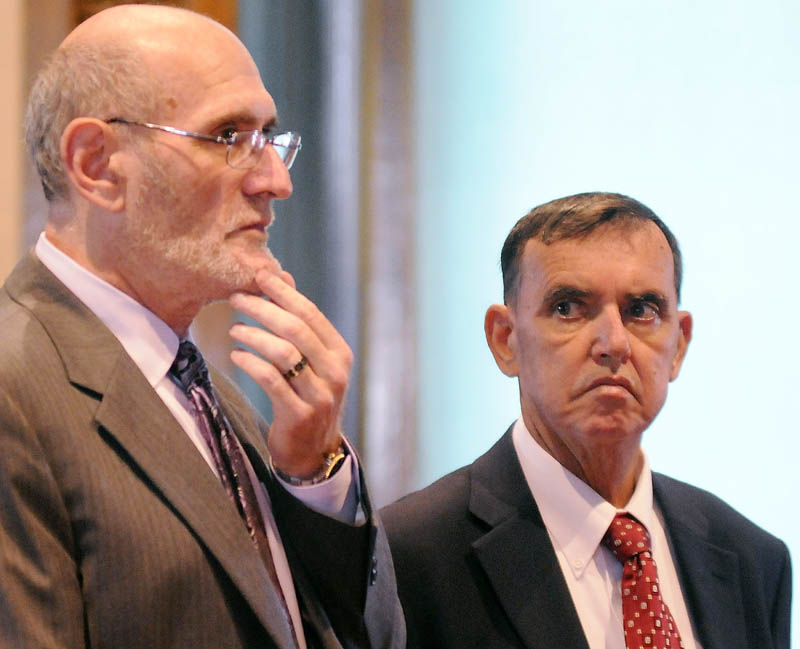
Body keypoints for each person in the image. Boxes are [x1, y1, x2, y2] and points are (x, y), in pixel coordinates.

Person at [0, 5, 403, 649]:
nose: (275, 181)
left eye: (270, 137)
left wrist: (312, 471)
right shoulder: (15, 389)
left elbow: (364, 634)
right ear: (96, 164)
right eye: (228, 137)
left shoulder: (202, 385)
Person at [382, 192, 791, 649]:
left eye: (641, 310)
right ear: (505, 339)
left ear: (678, 344)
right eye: (568, 308)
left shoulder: (753, 560)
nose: (614, 343)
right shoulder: (408, 555)